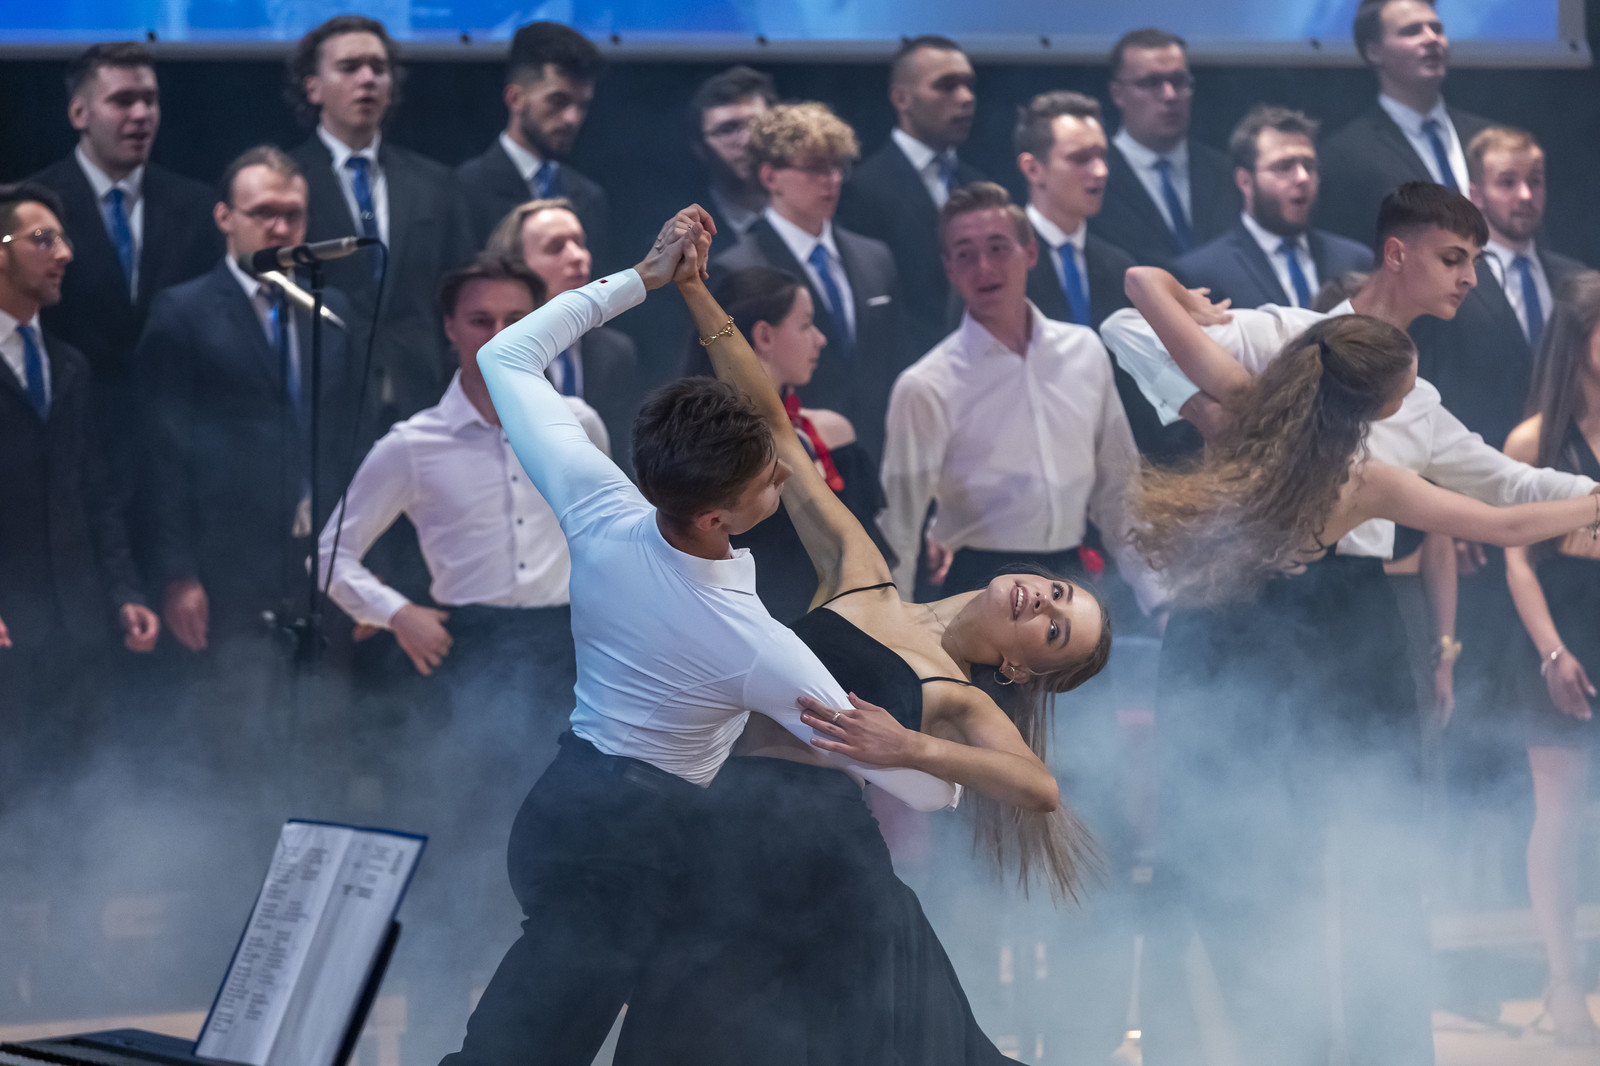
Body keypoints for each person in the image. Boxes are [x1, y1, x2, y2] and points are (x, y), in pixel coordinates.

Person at [439, 207, 956, 1066]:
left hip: (562, 807)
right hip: (624, 853)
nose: (785, 470)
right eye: (769, 478)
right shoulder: (748, 641)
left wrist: (643, 277)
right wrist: (937, 746)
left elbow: (506, 357)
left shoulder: (601, 507)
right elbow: (922, 792)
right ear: (717, 514)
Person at [614, 208, 1110, 1066]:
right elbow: (775, 427)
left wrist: (909, 747)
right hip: (719, 810)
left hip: (821, 856)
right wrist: (694, 291)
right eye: (1059, 594)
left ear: (1019, 666)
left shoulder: (953, 695)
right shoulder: (863, 572)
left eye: (1054, 629)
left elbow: (1038, 788)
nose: (1043, 601)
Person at [318, 254, 605, 1063]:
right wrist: (397, 612)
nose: (499, 335)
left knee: (571, 853)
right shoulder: (414, 443)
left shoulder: (576, 422)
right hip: (467, 656)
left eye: (515, 320)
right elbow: (330, 554)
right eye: (481, 321)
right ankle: (436, 1034)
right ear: (450, 329)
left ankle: (546, 1040)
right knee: (458, 848)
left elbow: (607, 534)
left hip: (566, 655)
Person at [1409, 126, 1587, 818]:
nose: (1524, 195)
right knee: (1488, 684)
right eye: (1507, 182)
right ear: (1475, 194)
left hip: (1564, 507)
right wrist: (1444, 511)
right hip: (1474, 517)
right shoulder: (1452, 283)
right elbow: (1424, 398)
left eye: (1534, 180)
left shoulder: (1574, 277)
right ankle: (1477, 833)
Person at [882, 182, 1162, 612]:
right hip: (978, 584)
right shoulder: (926, 384)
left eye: (998, 248)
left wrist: (1157, 599)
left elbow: (1120, 492)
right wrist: (887, 627)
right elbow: (899, 526)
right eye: (965, 255)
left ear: (1030, 252)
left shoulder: (1084, 351)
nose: (984, 267)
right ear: (949, 269)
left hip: (1070, 574)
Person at [136, 146, 356, 655]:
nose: (280, 229)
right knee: (238, 702)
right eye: (263, 213)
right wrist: (177, 572)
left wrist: (368, 560)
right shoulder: (182, 312)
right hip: (227, 563)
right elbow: (161, 456)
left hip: (323, 559)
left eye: (293, 215)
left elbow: (353, 439)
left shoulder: (332, 310)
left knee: (331, 702)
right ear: (224, 217)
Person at [0, 180, 160, 789]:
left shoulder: (69, 364)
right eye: (43, 239)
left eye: (64, 239)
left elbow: (96, 494)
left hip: (76, 625)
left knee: (81, 797)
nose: (65, 253)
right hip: (8, 626)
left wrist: (124, 590)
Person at [29, 42, 220, 476]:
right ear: (79, 114)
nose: (141, 115)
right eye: (122, 101)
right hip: (71, 445)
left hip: (177, 448)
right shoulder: (35, 207)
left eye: (150, 100)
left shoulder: (197, 206)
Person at [286, 15, 474, 426]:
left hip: (424, 398)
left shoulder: (435, 184)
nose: (368, 79)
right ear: (313, 87)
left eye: (378, 67)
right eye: (349, 67)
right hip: (325, 405)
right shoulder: (287, 183)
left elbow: (461, 293)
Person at [1502, 271, 1600, 1047]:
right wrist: (1553, 653)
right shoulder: (1535, 440)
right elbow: (1518, 561)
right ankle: (1563, 981)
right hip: (1563, 632)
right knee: (1559, 817)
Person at [681, 265, 890, 623]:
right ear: (764, 336)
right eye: (806, 324)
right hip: (738, 625)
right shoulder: (700, 449)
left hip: (836, 626)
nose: (820, 339)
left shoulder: (830, 435)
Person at [1014, 88, 1195, 463]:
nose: (1100, 171)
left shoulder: (1117, 265)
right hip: (1026, 458)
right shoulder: (1001, 266)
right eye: (1080, 158)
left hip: (1114, 460)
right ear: (1033, 169)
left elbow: (1141, 381)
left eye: (1102, 156)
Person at [714, 102, 902, 458]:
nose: (831, 180)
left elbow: (894, 360)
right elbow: (732, 383)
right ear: (770, 177)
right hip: (789, 457)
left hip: (877, 451)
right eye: (815, 168)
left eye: (837, 167)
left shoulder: (876, 258)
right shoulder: (739, 269)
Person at [838, 35, 984, 357]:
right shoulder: (860, 190)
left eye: (969, 85)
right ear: (901, 97)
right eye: (947, 86)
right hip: (905, 367)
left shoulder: (980, 185)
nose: (966, 98)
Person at [1317, 0, 1492, 243]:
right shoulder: (1345, 155)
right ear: (1374, 51)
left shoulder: (1487, 138)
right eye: (1411, 31)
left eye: (1437, 29)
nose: (1431, 39)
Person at [486, 198, 639, 472]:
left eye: (580, 243)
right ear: (517, 267)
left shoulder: (615, 351)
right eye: (556, 248)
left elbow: (625, 455)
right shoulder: (493, 352)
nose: (578, 256)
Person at [1174, 106, 1372, 311]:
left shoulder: (1356, 261)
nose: (1303, 177)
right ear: (1245, 181)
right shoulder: (1202, 273)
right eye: (1284, 167)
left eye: (1309, 166)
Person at [1092, 28, 1240, 269]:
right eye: (1151, 83)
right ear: (1117, 94)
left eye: (1179, 81)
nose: (1170, 95)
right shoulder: (1094, 178)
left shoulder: (1225, 172)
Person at [457, 21, 609, 256]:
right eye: (558, 101)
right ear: (515, 98)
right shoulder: (463, 190)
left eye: (583, 106)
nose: (573, 118)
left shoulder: (590, 198)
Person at [687, 65, 777, 241]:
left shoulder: (823, 215)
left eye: (758, 125)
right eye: (727, 130)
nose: (747, 140)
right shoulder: (681, 241)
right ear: (700, 148)